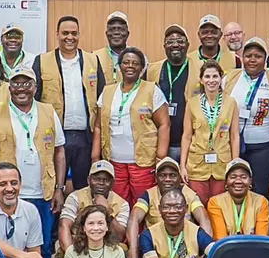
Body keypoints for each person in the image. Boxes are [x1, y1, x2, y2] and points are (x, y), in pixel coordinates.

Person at [0, 67, 66, 258]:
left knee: (43, 246)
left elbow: (59, 151)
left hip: (42, 192)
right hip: (9, 194)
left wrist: (59, 188)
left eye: (27, 83)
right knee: (8, 246)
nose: (21, 88)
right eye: (16, 83)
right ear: (10, 88)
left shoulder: (48, 111)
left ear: (35, 87)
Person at [34, 16, 105, 191]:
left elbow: (102, 98)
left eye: (74, 33)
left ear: (79, 34)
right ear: (57, 34)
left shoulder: (92, 60)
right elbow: (34, 99)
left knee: (85, 188)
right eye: (65, 33)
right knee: (52, 186)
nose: (69, 37)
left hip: (85, 137)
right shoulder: (42, 61)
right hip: (54, 136)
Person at [92, 47, 170, 205]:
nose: (130, 66)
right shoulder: (107, 91)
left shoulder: (151, 90)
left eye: (135, 63)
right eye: (126, 62)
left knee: (142, 204)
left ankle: (140, 231)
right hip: (114, 162)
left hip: (143, 162)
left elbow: (164, 124)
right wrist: (95, 156)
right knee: (118, 205)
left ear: (142, 68)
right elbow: (99, 126)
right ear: (119, 66)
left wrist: (160, 158)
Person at [223, 37, 269, 199]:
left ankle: (262, 224)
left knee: (260, 192)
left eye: (258, 56)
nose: (252, 60)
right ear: (242, 58)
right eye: (248, 56)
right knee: (234, 191)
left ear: (265, 59)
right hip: (231, 144)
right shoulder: (230, 78)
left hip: (264, 147)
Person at [127, 157, 212, 258]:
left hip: (185, 250)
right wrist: (133, 249)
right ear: (156, 178)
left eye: (172, 175)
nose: (167, 179)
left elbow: (203, 218)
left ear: (179, 178)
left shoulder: (189, 194)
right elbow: (134, 218)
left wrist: (205, 248)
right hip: (156, 248)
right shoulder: (148, 195)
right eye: (163, 175)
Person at [180, 61, 239, 205]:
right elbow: (187, 136)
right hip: (197, 165)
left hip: (222, 165)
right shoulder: (192, 103)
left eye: (215, 76)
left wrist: (234, 165)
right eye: (207, 76)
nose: (211, 80)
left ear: (221, 78)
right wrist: (182, 165)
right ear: (201, 79)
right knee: (197, 205)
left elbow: (235, 136)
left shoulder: (231, 103)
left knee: (219, 205)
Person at [146, 24, 200, 162]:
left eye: (180, 41)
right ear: (164, 46)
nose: (175, 44)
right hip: (159, 143)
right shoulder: (152, 70)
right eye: (170, 41)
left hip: (191, 141)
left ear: (188, 45)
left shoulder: (200, 69)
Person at [58, 161, 130, 252]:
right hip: (79, 244)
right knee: (62, 253)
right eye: (96, 179)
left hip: (107, 245)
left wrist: (107, 211)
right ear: (89, 180)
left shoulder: (122, 204)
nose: (101, 183)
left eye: (106, 180)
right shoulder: (75, 197)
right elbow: (64, 225)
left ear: (112, 183)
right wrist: (71, 255)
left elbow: (119, 237)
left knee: (123, 249)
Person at [207, 159, 269, 239]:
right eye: (233, 177)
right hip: (226, 249)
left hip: (254, 248)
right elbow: (220, 239)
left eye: (243, 177)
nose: (238, 181)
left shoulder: (262, 202)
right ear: (226, 182)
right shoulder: (215, 202)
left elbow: (262, 239)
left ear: (250, 182)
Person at [93, 11, 131, 86]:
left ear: (127, 33)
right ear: (107, 34)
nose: (116, 32)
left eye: (120, 29)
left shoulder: (137, 56)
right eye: (112, 29)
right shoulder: (94, 57)